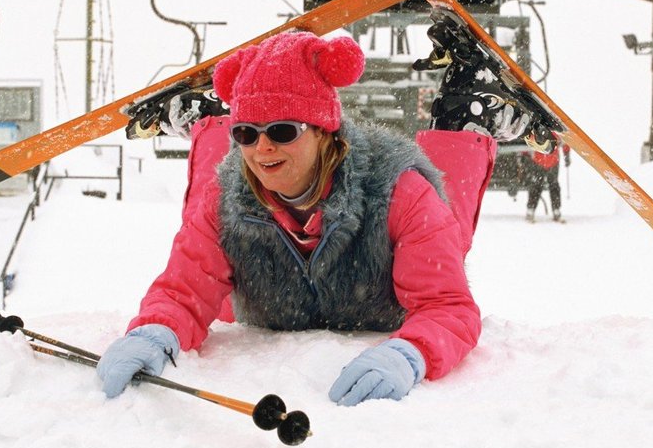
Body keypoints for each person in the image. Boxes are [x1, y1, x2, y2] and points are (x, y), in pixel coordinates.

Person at [96, 28, 540, 406]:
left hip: (380, 299)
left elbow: (447, 305)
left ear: (323, 130)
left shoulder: (398, 192)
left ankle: (468, 110)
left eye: (283, 131)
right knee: (225, 182)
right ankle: (209, 116)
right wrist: (155, 332)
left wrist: (412, 353)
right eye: (246, 133)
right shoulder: (224, 197)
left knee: (446, 222)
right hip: (270, 303)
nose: (262, 146)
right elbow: (183, 291)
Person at [523, 135, 570, 223]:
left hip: (553, 162)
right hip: (538, 161)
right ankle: (531, 209)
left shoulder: (556, 130)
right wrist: (525, 154)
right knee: (536, 185)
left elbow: (565, 140)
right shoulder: (538, 129)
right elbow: (528, 141)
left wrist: (566, 154)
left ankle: (556, 210)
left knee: (554, 186)